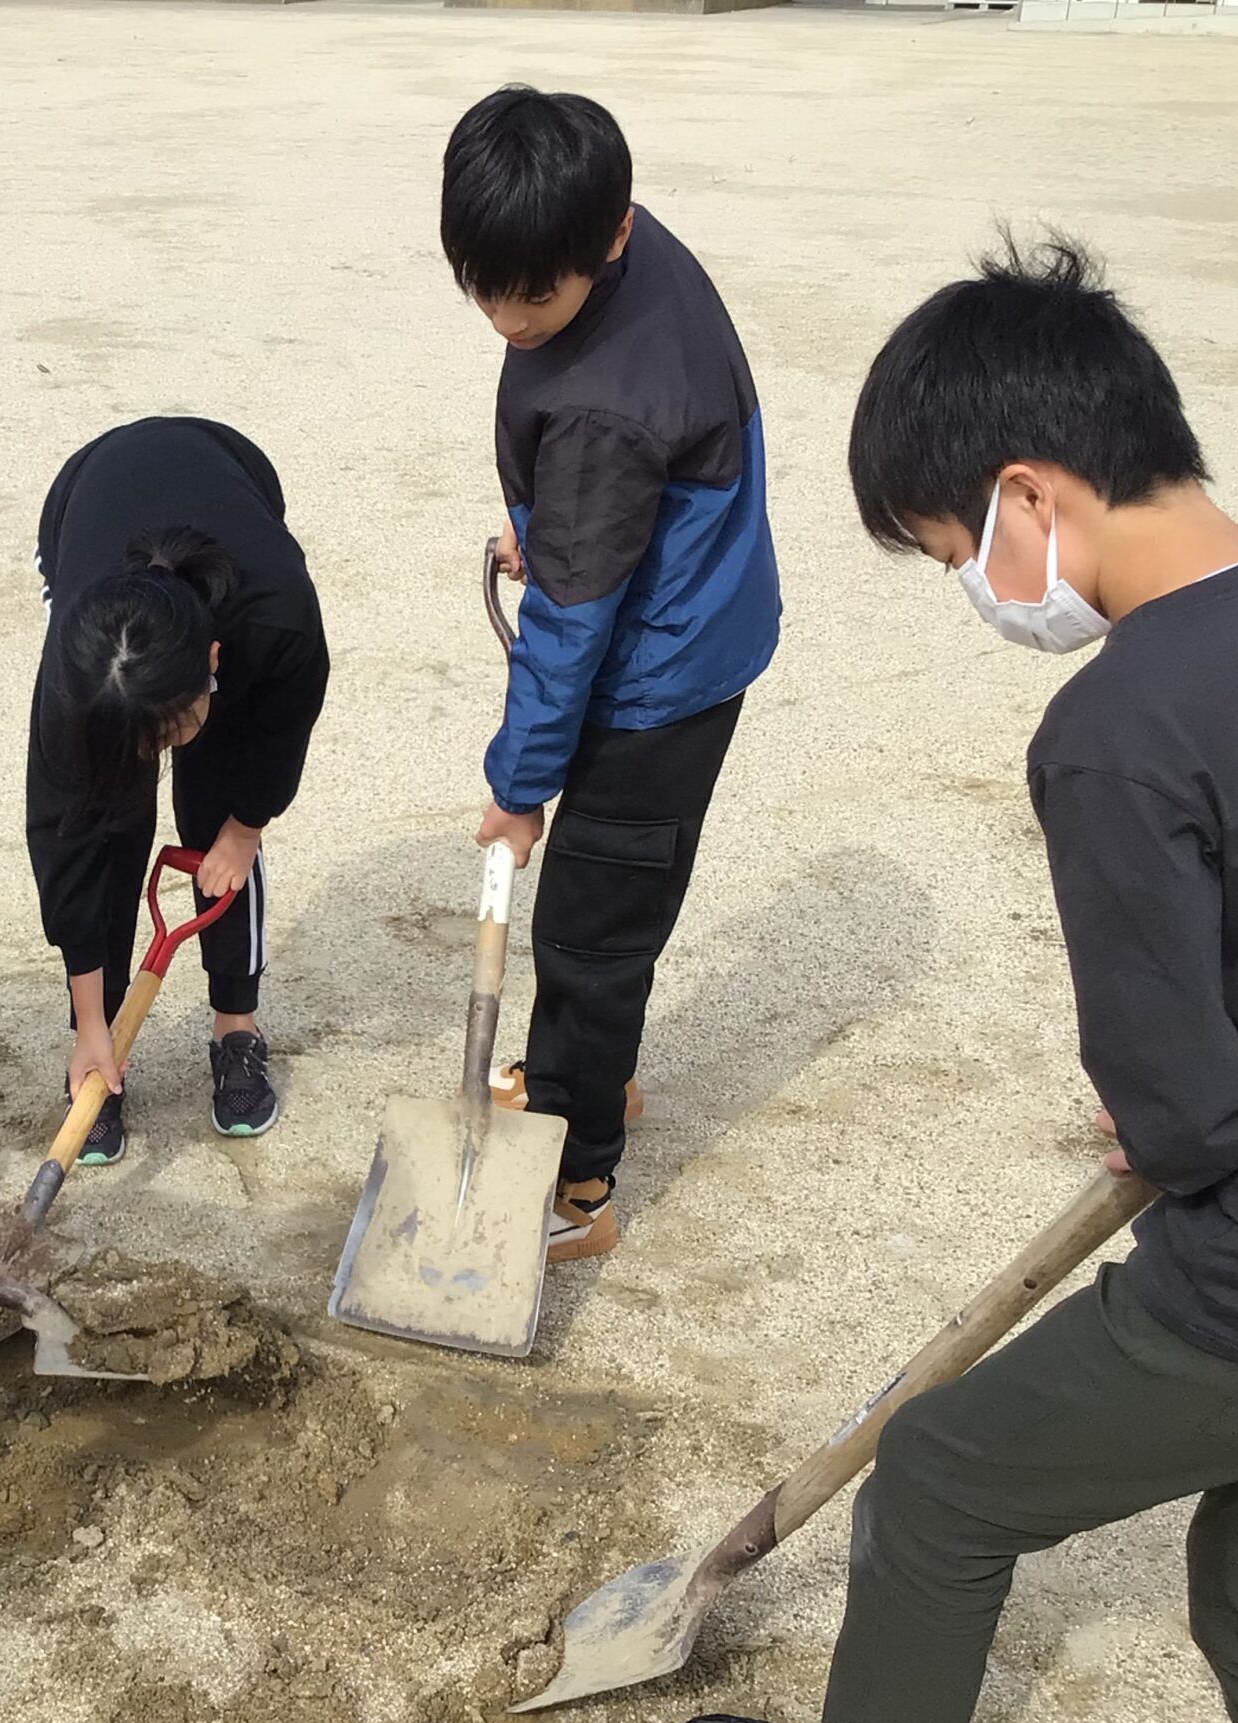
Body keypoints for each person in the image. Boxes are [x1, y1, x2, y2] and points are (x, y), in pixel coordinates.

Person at [671, 239, 1238, 1723]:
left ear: (1030, 495)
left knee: (944, 1475)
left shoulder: (1122, 724)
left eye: (956, 554)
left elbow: (1192, 1123)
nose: (981, 592)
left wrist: (1162, 1104)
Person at [439, 86, 780, 1263]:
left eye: (534, 294)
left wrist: (518, 784)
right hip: (696, 604)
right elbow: (622, 496)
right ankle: (591, 1076)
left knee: (588, 928)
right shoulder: (624, 246)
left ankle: (577, 1184)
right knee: (613, 909)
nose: (508, 317)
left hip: (659, 677)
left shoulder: (598, 410)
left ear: (612, 234)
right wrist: (554, 523)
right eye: (483, 286)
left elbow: (572, 631)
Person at [26, 416, 330, 1159]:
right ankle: (95, 1052)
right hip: (86, 494)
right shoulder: (75, 681)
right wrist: (91, 1020)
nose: (158, 751)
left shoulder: (276, 618)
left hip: (230, 467)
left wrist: (243, 827)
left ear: (216, 659)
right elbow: (66, 849)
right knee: (108, 818)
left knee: (217, 795)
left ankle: (237, 1028)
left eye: (174, 725)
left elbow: (284, 724)